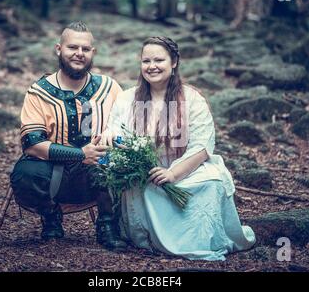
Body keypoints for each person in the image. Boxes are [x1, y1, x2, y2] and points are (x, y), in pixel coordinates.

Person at [102, 36, 256, 260]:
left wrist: (173, 173)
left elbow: (202, 145)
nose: (152, 66)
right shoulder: (127, 99)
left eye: (159, 60)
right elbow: (115, 131)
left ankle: (201, 239)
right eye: (146, 61)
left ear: (173, 61)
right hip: (146, 174)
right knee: (148, 191)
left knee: (211, 184)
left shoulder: (192, 98)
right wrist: (110, 135)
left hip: (186, 168)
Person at [10, 21, 127, 251]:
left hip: (96, 175)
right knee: (25, 173)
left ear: (93, 53)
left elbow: (126, 128)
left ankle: (107, 225)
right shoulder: (39, 91)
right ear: (59, 49)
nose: (79, 54)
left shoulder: (109, 87)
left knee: (112, 161)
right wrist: (79, 154)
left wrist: (114, 140)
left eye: (85, 49)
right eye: (73, 47)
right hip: (54, 173)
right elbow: (32, 144)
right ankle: (50, 215)